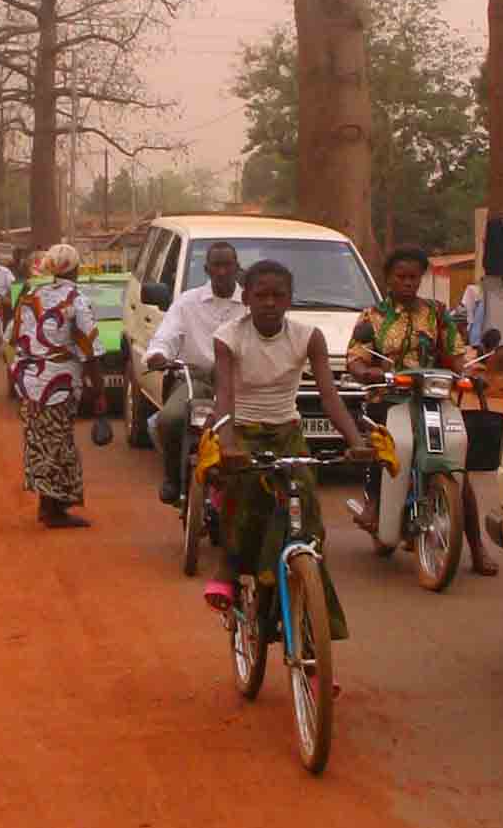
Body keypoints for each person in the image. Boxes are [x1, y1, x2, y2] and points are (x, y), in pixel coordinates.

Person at [204, 259, 371, 628]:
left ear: (290, 299)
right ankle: (229, 567)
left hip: (288, 433)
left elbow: (329, 396)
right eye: (260, 295)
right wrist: (227, 445)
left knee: (306, 511)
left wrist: (356, 441)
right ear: (246, 298)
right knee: (242, 496)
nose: (269, 302)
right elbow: (225, 396)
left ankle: (309, 621)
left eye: (278, 295)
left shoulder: (308, 336)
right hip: (243, 430)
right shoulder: (229, 337)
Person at [345, 245, 497, 576]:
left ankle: (477, 548)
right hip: (389, 396)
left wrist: (469, 371)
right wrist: (367, 372)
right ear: (388, 278)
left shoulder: (437, 313)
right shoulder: (372, 316)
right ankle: (375, 503)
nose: (408, 283)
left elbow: (455, 353)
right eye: (401, 277)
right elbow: (356, 357)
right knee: (387, 445)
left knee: (457, 466)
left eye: (414, 277)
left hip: (433, 396)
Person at [10, 242, 103, 529]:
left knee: (41, 442)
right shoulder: (77, 300)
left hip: (30, 383)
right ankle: (52, 511)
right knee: (58, 445)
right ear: (75, 269)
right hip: (58, 386)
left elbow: (13, 338)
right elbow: (90, 350)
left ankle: (50, 505)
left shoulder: (31, 296)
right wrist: (98, 392)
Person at [143, 240, 242, 505]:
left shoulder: (249, 303)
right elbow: (166, 335)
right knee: (170, 418)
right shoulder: (187, 302)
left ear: (237, 268)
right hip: (194, 380)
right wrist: (158, 354)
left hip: (239, 384)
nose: (222, 271)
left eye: (227, 265)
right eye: (216, 265)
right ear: (207, 269)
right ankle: (172, 478)